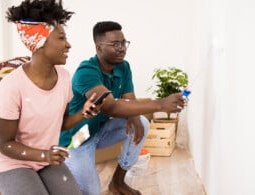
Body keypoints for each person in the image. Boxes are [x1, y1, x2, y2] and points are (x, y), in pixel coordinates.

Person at [0, 0, 103, 195]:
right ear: (39, 42)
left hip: (45, 158)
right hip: (12, 161)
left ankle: (7, 187)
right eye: (61, 38)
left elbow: (62, 123)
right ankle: (4, 183)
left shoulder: (64, 76)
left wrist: (83, 113)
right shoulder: (10, 87)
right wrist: (44, 154)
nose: (68, 44)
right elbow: (5, 143)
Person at [59, 21, 186, 195]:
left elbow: (129, 99)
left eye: (124, 43)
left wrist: (134, 118)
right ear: (99, 48)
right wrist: (161, 104)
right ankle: (64, 169)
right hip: (77, 140)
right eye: (115, 44)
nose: (122, 48)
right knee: (92, 191)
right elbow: (110, 106)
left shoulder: (123, 67)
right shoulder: (86, 72)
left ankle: (117, 182)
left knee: (141, 122)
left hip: (99, 131)